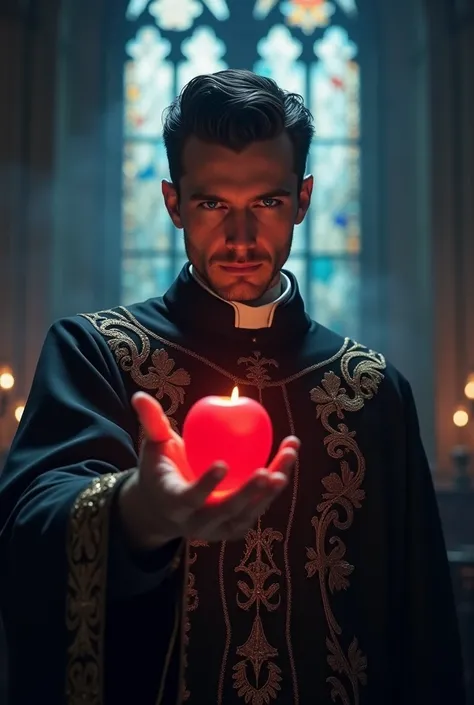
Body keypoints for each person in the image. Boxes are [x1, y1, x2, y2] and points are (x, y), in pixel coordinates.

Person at [0, 70, 465, 705]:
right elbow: (25, 533)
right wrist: (139, 508)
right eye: (213, 203)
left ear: (302, 199)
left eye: (267, 204)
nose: (242, 239)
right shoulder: (95, 353)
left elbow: (425, 632)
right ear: (172, 203)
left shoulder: (373, 390)